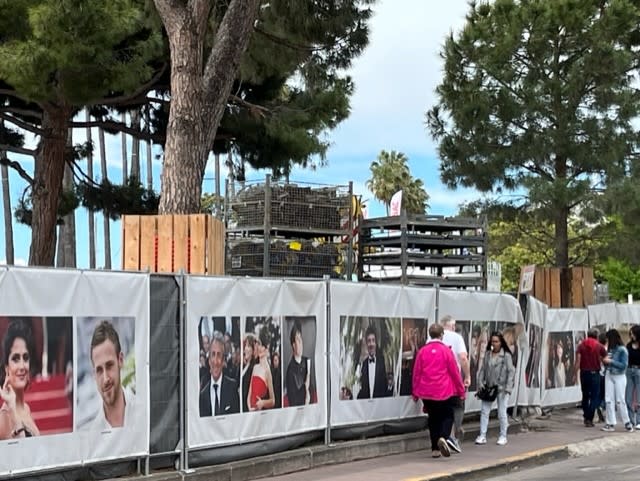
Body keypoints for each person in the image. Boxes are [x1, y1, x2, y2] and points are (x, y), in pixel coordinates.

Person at [412, 323, 466, 458]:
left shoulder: (422, 351)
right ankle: (444, 437)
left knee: (433, 418)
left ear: (430, 335)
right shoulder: (447, 351)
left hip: (426, 391)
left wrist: (415, 392)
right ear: (442, 335)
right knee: (448, 415)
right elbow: (454, 373)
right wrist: (461, 391)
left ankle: (435, 449)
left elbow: (416, 373)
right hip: (443, 390)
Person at [87, 320, 135, 429]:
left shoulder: (142, 412)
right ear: (94, 374)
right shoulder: (93, 434)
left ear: (121, 360)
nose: (105, 379)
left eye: (109, 366)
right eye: (99, 370)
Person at [0, 320, 40, 439]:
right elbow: (22, 454)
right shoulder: (4, 416)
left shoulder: (26, 408)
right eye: (15, 359)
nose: (22, 366)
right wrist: (12, 407)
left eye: (25, 358)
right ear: (7, 367)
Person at [475, 331, 515, 446]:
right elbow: (483, 370)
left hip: (502, 389)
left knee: (501, 412)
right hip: (489, 387)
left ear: (501, 342)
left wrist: (508, 388)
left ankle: (503, 435)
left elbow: (511, 372)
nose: (494, 343)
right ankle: (482, 435)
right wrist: (480, 383)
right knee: (484, 411)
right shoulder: (488, 354)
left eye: (497, 341)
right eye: (492, 341)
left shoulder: (506, 355)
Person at [439, 315, 470, 454]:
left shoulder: (433, 338)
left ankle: (439, 439)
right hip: (452, 379)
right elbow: (463, 358)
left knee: (438, 410)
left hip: (435, 380)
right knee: (456, 407)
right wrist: (467, 375)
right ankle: (453, 437)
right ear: (451, 325)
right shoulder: (457, 337)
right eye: (454, 325)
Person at [199, 331, 240, 416]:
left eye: (219, 355)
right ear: (209, 360)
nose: (215, 361)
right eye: (213, 355)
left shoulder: (232, 387)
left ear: (223, 361)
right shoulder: (203, 395)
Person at [601, 329, 633, 432]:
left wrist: (611, 361)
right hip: (609, 374)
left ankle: (627, 422)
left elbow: (624, 366)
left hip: (619, 376)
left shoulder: (622, 350)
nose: (607, 341)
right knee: (608, 400)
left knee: (620, 400)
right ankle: (610, 423)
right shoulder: (609, 349)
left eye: (608, 339)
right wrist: (605, 361)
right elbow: (607, 362)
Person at [575, 328, 607, 427]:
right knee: (594, 396)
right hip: (595, 373)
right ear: (596, 336)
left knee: (585, 395)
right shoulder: (600, 346)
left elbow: (578, 361)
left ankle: (586, 416)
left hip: (584, 373)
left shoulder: (581, 346)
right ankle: (589, 418)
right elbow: (605, 359)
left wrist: (574, 373)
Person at [247, 327, 276, 411]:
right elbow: (249, 394)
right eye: (258, 344)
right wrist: (249, 407)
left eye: (262, 345)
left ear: (266, 349)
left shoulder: (267, 371)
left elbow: (273, 400)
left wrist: (262, 403)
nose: (259, 347)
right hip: (250, 413)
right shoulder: (255, 367)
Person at [357, 326, 390, 399]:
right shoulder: (364, 364)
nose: (371, 344)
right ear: (366, 343)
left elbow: (385, 387)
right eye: (369, 341)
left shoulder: (382, 362)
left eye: (373, 340)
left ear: (376, 343)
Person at [285, 322, 310, 406]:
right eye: (297, 339)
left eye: (301, 339)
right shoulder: (290, 370)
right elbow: (293, 401)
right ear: (293, 345)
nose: (301, 342)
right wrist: (305, 388)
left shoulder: (307, 362)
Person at [626, 325, 640, 429]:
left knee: (639, 398)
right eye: (630, 334)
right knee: (628, 398)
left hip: (639, 370)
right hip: (629, 370)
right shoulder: (628, 345)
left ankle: (639, 420)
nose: (631, 335)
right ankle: (631, 420)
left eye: (633, 333)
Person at [241, 333, 257, 412]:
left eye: (248, 346)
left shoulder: (254, 368)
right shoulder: (242, 366)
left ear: (253, 350)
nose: (245, 349)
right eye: (245, 346)